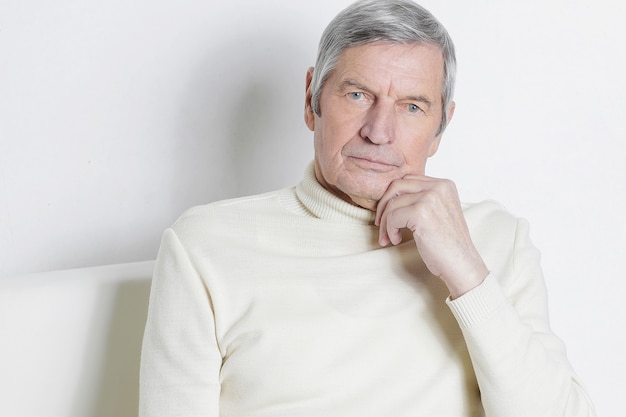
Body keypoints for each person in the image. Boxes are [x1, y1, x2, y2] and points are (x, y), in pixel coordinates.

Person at [139, 0, 596, 416]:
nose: (379, 131)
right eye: (358, 95)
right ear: (311, 100)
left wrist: (467, 274)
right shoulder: (205, 246)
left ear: (441, 128)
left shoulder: (497, 240)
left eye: (412, 107)